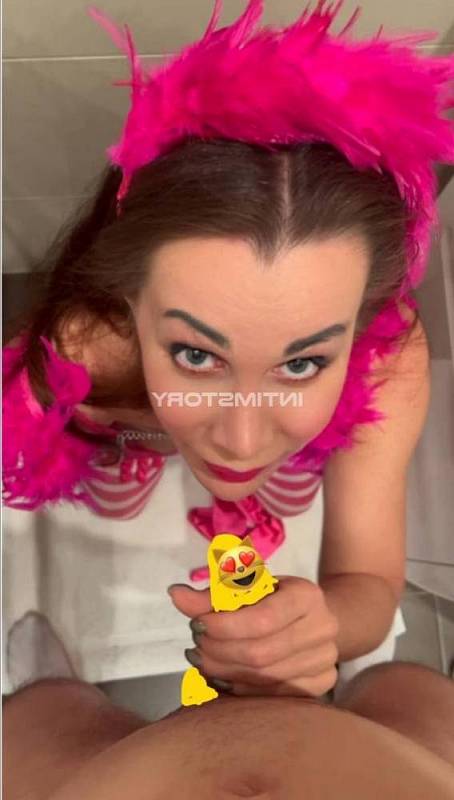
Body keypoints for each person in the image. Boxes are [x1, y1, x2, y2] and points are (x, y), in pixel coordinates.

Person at [3, 0, 454, 699]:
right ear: (127, 300)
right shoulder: (85, 348)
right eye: (195, 354)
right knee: (128, 452)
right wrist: (123, 430)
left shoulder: (391, 363)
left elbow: (368, 580)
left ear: (362, 322)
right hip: (128, 423)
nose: (241, 442)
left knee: (286, 455)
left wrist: (328, 623)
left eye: (302, 363)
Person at [3, 613, 454, 799]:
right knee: (405, 689)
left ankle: (55, 690)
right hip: (407, 768)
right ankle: (365, 677)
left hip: (97, 779)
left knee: (43, 714)